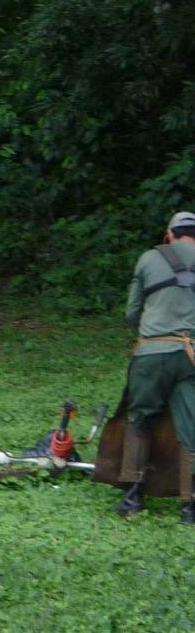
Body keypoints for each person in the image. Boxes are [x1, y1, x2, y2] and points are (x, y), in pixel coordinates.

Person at [118, 209, 195, 522]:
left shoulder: (149, 258)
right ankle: (190, 509)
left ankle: (132, 498)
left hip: (152, 352)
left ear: (169, 235)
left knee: (140, 421)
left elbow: (131, 313)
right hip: (191, 355)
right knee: (191, 428)